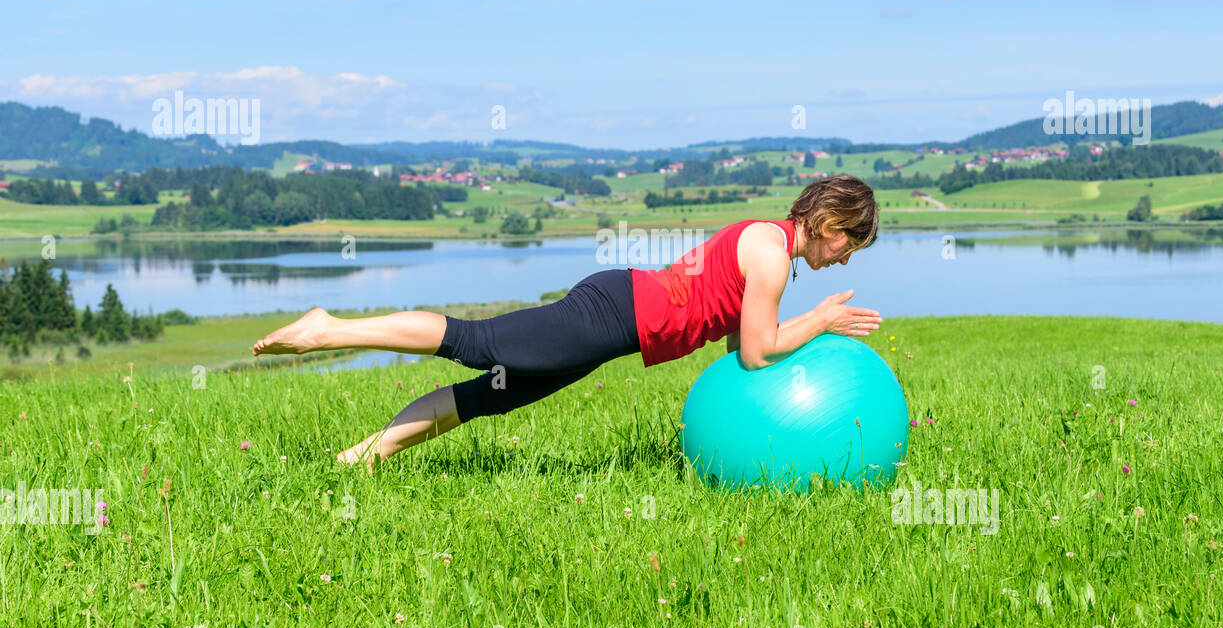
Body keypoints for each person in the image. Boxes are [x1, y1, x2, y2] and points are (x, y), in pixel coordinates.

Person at [251, 173, 883, 469]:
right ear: (830, 225)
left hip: (615, 318)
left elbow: (723, 328)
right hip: (609, 315)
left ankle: (363, 457)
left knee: (492, 396)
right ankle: (329, 328)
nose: (846, 256)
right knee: (475, 343)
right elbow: (756, 352)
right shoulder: (773, 258)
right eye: (850, 244)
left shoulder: (765, 240)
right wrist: (822, 321)